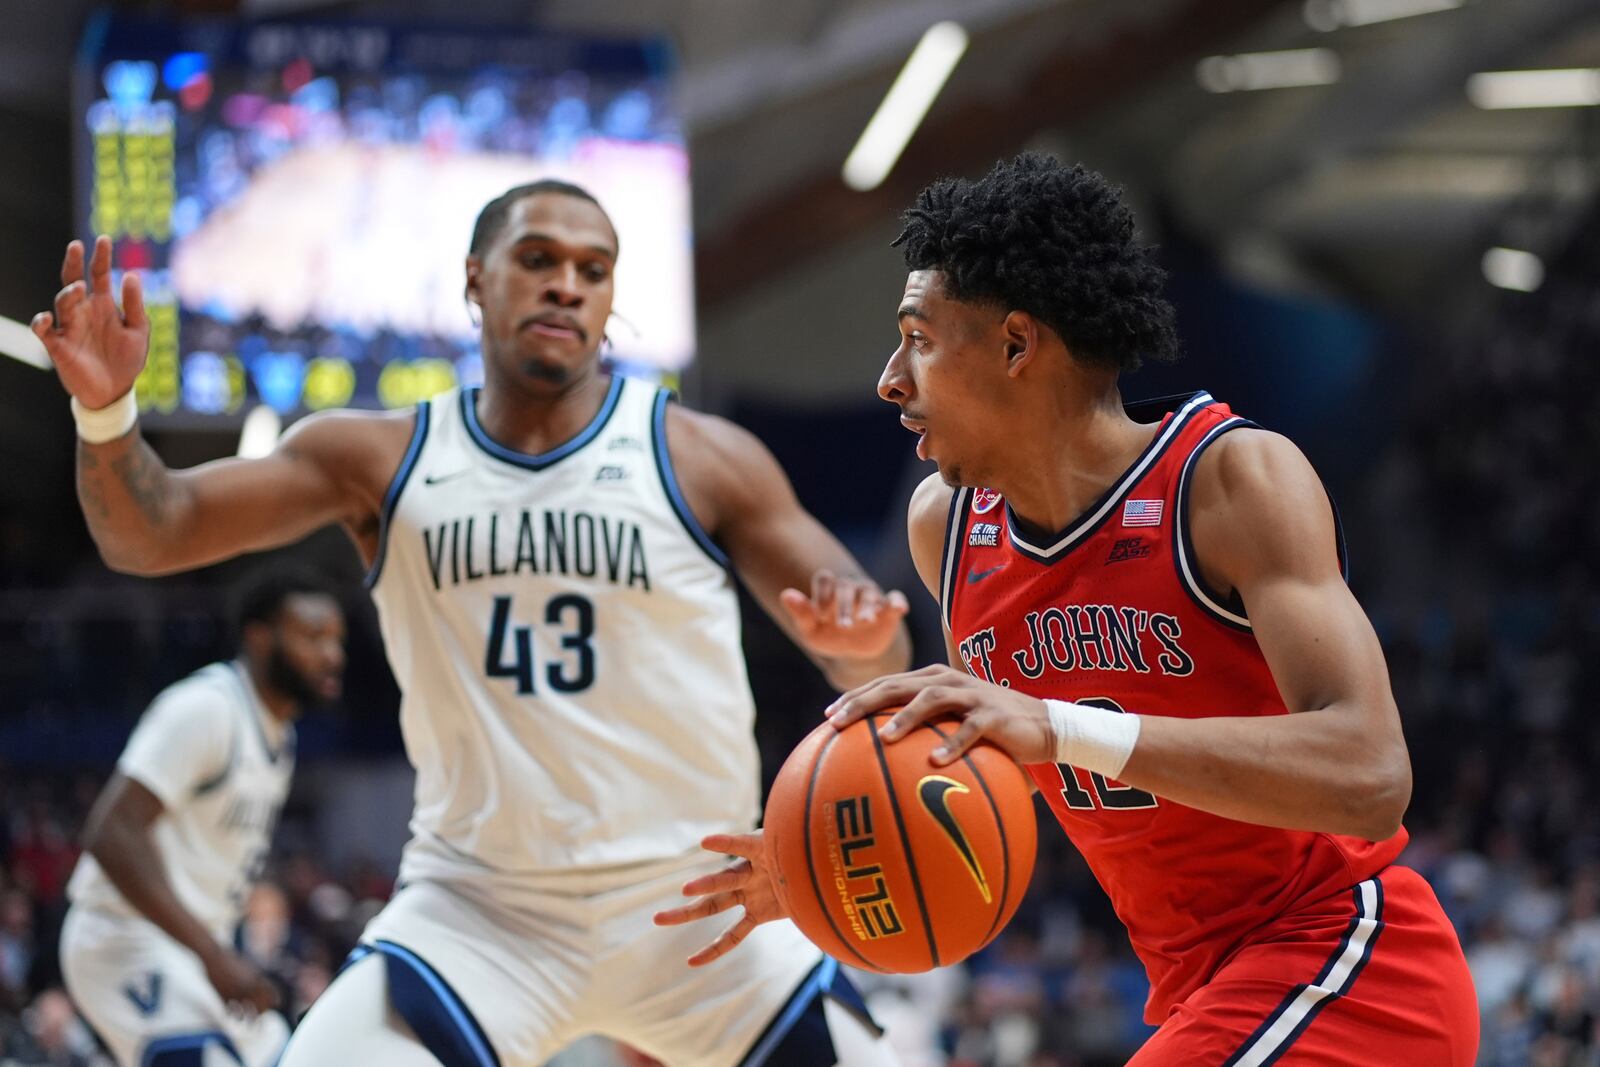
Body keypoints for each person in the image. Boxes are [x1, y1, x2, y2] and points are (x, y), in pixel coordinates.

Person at [34, 179, 911, 1067]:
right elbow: (154, 531)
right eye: (538, 260)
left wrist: (863, 645)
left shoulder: (705, 458)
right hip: (483, 909)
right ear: (476, 280)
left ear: (609, 299)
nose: (566, 283)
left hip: (701, 898)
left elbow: (877, 652)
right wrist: (105, 412)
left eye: (592, 269)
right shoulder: (379, 457)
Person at [656, 154, 1480, 1065]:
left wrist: (1059, 730)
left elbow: (1370, 776)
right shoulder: (949, 531)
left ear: (1016, 345)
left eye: (919, 340)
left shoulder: (1228, 481)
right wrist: (827, 858)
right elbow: (973, 757)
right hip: (1200, 992)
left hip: (1349, 962)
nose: (890, 379)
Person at [58, 570, 346, 1067]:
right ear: (260, 637)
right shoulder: (207, 709)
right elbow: (111, 831)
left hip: (192, 951)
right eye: (312, 636)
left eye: (335, 640)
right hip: (121, 937)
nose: (331, 655)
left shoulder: (280, 735)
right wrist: (214, 958)